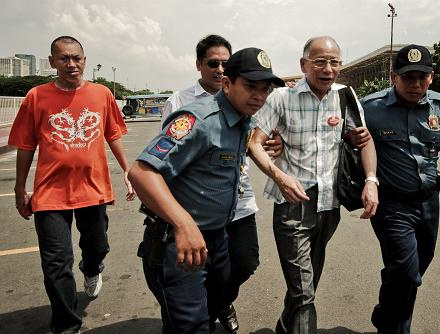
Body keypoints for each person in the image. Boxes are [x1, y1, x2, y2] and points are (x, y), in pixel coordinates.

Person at [128, 47, 285, 334]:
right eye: (250, 86)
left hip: (216, 237)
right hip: (180, 241)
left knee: (214, 305)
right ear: (227, 83)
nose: (259, 97)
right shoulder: (198, 120)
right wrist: (183, 223)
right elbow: (141, 171)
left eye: (265, 90)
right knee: (191, 325)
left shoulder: (243, 120)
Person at [249, 36, 379, 334]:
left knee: (306, 282)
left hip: (329, 205)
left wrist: (371, 181)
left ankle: (285, 324)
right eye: (320, 62)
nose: (328, 69)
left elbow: (363, 139)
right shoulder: (281, 98)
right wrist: (279, 177)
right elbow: (254, 143)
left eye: (334, 62)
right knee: (304, 291)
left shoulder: (345, 95)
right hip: (292, 203)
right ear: (303, 65)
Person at [8, 36, 135, 334]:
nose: (71, 64)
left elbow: (113, 135)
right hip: (50, 193)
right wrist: (19, 188)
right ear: (52, 62)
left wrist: (128, 171)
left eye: (77, 58)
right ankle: (66, 326)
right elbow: (25, 146)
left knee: (97, 245)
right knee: (55, 263)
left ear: (85, 60)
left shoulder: (101, 94)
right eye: (64, 58)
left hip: (93, 189)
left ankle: (92, 269)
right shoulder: (36, 97)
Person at [361, 44, 440, 334]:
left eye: (423, 77)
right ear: (394, 75)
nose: (416, 84)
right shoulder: (370, 107)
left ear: (431, 77)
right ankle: (395, 328)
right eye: (409, 77)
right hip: (392, 205)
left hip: (429, 203)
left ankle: (386, 316)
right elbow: (343, 141)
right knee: (407, 274)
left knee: (414, 270)